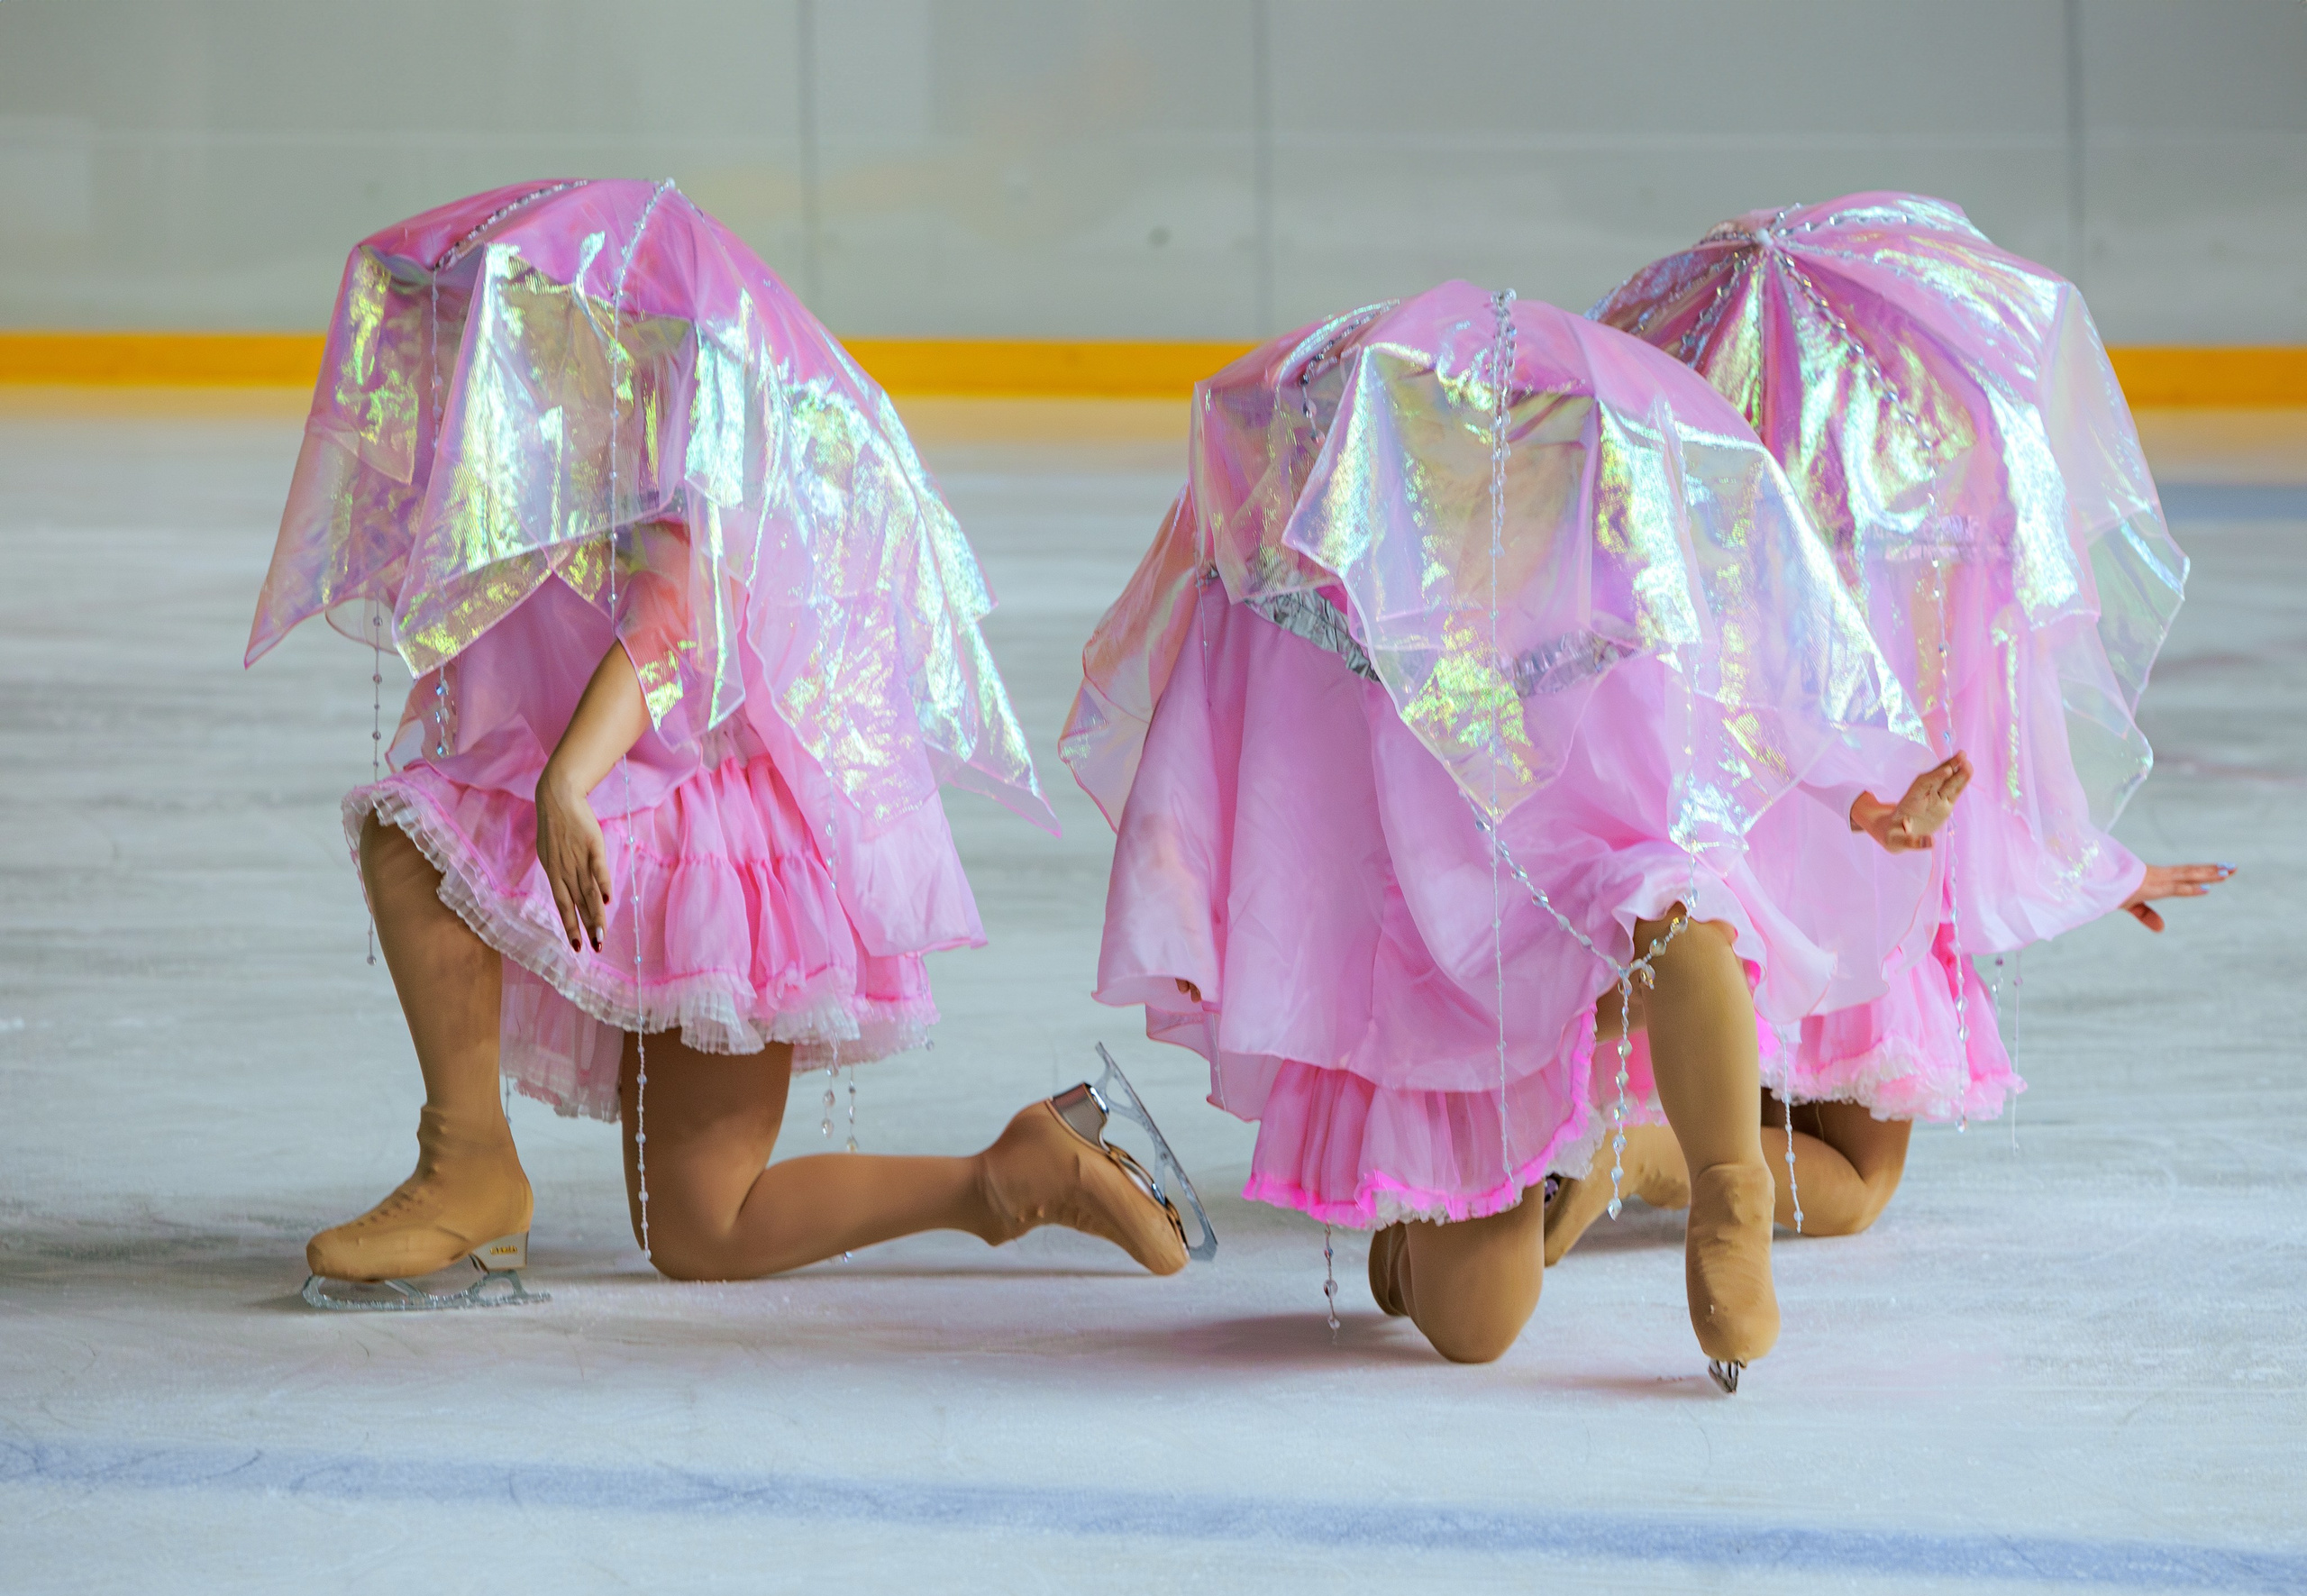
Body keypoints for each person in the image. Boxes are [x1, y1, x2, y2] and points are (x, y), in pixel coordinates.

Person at [246, 179, 1206, 1308]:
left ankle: (1011, 1177)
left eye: (538, 336)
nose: (499, 366)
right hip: (628, 814)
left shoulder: (693, 470)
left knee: (701, 1226)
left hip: (714, 849)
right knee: (416, 832)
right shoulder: (540, 475)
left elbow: (672, 629)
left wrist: (567, 777)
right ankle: (468, 1168)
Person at [1062, 281, 1949, 1389]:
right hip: (1427, 966)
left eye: (1530, 449)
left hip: (1582, 880)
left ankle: (1731, 1189)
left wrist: (1862, 799)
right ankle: (1471, 1222)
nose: (1504, 478)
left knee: (1684, 923)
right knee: (1475, 1323)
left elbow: (1744, 687)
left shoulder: (1600, 577)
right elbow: (1231, 769)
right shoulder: (1328, 616)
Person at [1549, 192, 2229, 1258]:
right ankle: (1637, 1152)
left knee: (1764, 1088)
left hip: (1703, 901)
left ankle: (1638, 1129)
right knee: (1856, 1183)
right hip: (1870, 904)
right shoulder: (1924, 545)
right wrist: (2094, 865)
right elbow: (1990, 744)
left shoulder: (1692, 538)